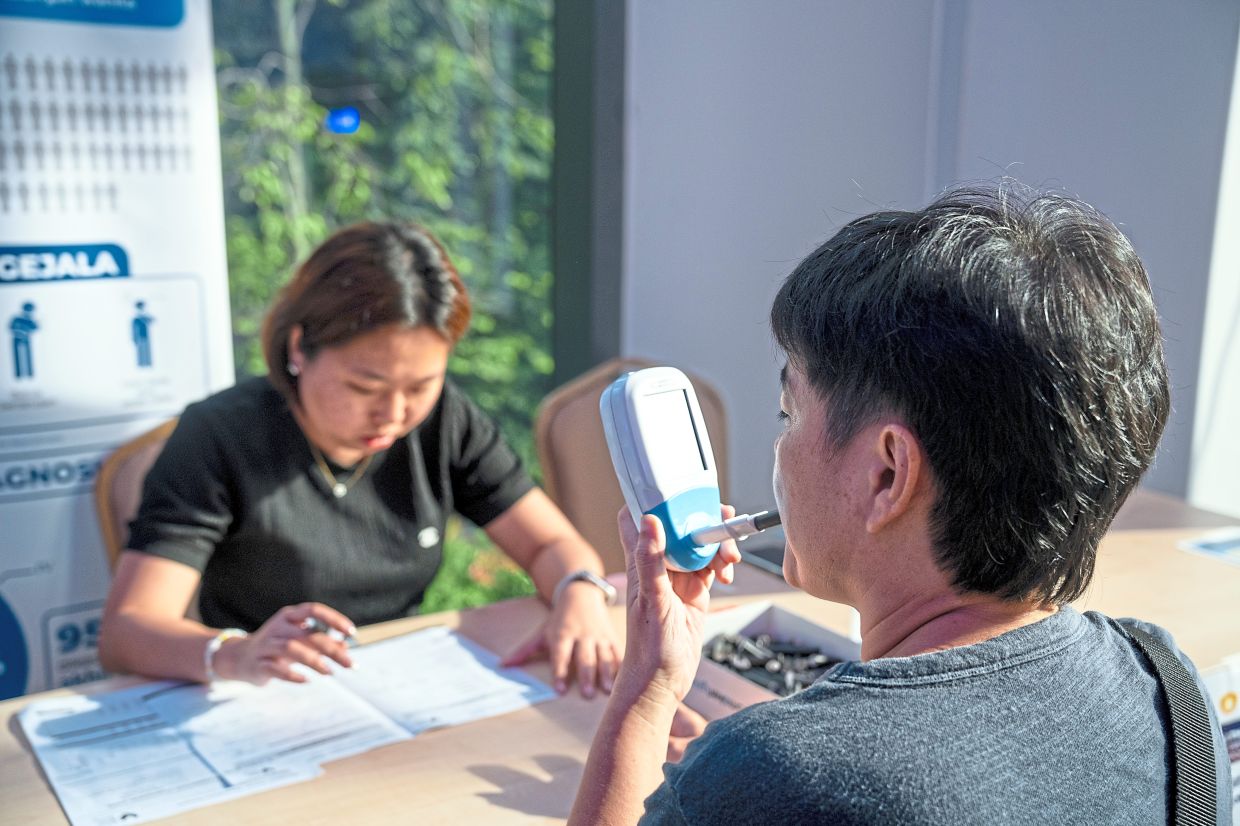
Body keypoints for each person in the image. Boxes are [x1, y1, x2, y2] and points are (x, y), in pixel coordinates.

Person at [571, 185, 1232, 824]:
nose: (777, 453)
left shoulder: (776, 775)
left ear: (886, 474)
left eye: (787, 412)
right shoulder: (1172, 690)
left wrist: (648, 690)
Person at [100, 221, 619, 697]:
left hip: (402, 682)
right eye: (364, 385)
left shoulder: (446, 421)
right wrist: (237, 653)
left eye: (421, 385)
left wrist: (579, 592)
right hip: (270, 692)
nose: (394, 414)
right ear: (300, 348)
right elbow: (128, 630)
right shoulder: (220, 435)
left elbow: (552, 542)